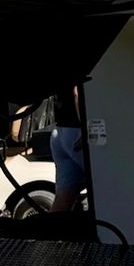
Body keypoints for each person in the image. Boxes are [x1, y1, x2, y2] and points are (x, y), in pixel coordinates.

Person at [49, 85, 86, 213]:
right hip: (76, 132)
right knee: (102, 188)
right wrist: (85, 128)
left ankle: (49, 233)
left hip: (60, 132)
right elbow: (77, 92)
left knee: (62, 201)